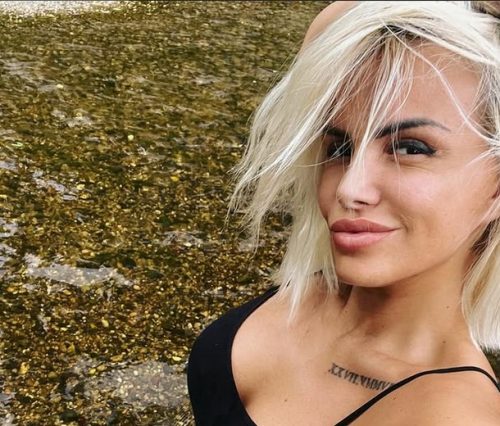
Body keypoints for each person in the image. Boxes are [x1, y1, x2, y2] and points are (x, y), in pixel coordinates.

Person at [187, 1, 500, 425]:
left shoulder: (453, 415)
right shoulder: (329, 288)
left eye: (410, 148)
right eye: (339, 148)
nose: (349, 189)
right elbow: (334, 21)